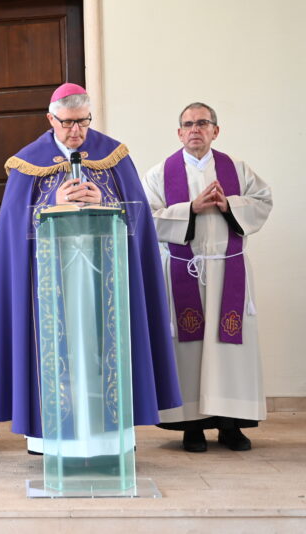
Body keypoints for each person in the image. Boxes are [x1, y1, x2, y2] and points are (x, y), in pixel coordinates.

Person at [0, 83, 182, 454]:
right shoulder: (27, 164)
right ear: (51, 119)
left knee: (101, 352)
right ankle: (50, 439)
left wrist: (104, 200)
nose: (76, 131)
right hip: (49, 285)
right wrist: (53, 201)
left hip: (103, 281)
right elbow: (13, 230)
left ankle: (110, 438)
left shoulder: (114, 157)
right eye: (68, 123)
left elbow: (138, 220)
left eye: (83, 121)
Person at [142, 102, 273, 452]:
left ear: (216, 130)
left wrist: (230, 205)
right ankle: (192, 427)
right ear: (179, 133)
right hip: (184, 270)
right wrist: (191, 209)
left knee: (230, 351)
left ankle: (231, 427)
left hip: (229, 269)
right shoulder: (159, 174)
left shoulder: (237, 169)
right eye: (188, 124)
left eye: (202, 123)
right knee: (189, 352)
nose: (195, 129)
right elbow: (145, 218)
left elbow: (262, 201)